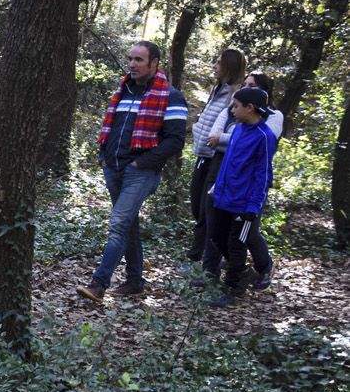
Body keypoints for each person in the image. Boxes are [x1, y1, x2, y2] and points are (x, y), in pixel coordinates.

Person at [77, 41, 188, 303]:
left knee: (118, 225)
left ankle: (98, 285)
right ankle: (135, 280)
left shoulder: (171, 96)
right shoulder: (123, 91)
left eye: (139, 60)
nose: (132, 64)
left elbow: (175, 141)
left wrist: (142, 163)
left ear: (154, 63)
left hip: (141, 173)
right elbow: (112, 128)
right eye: (130, 59)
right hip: (113, 168)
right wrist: (104, 156)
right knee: (128, 224)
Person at [202, 86, 278, 308]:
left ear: (250, 107)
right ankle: (244, 273)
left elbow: (263, 174)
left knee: (237, 245)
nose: (232, 110)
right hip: (223, 197)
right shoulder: (237, 130)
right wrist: (217, 190)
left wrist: (253, 207)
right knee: (217, 236)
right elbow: (229, 164)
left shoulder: (264, 137)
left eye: (235, 106)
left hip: (244, 203)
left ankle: (234, 288)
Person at [187, 48, 246, 261]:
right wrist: (197, 128)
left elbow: (235, 126)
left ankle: (199, 256)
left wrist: (218, 139)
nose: (215, 66)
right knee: (196, 203)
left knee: (206, 207)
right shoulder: (218, 88)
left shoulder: (235, 94)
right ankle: (203, 252)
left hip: (218, 157)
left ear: (229, 66)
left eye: (219, 62)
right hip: (203, 153)